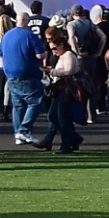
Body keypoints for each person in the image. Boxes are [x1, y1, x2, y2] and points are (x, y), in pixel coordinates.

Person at [0, 12, 47, 144]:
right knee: (36, 102)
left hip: (11, 75)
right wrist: (44, 54)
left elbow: (1, 54)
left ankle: (18, 134)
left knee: (18, 105)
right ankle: (24, 131)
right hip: (28, 75)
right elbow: (40, 55)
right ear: (27, 21)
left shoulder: (6, 36)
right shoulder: (30, 35)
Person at [37, 25, 83, 153]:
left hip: (66, 89)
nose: (54, 51)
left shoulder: (68, 55)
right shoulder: (62, 56)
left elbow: (69, 70)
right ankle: (74, 138)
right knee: (53, 116)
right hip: (58, 89)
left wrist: (53, 71)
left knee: (63, 118)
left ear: (62, 45)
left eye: (55, 48)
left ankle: (66, 145)